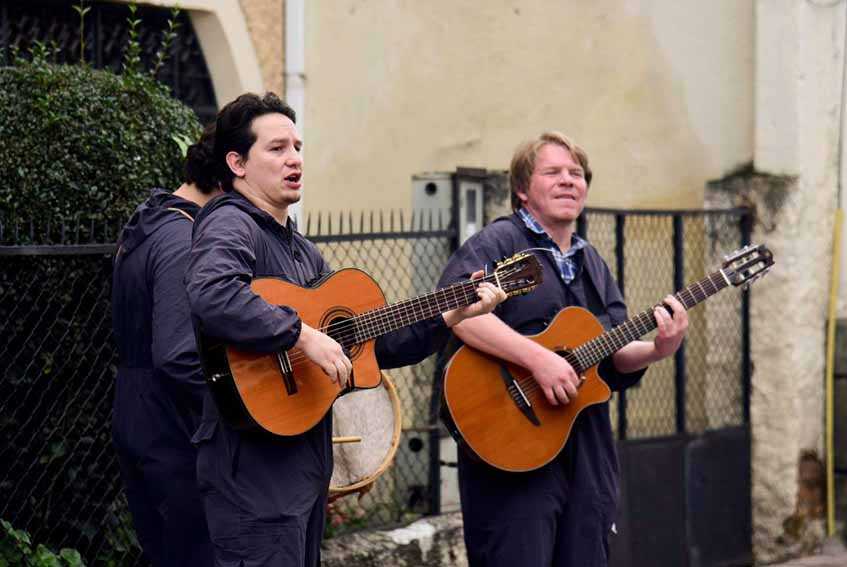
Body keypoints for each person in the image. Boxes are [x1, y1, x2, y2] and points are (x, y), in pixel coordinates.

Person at [185, 92, 505, 566]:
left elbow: (369, 342)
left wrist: (451, 316)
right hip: (252, 464)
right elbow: (212, 294)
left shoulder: (299, 249)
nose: (294, 158)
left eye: (297, 146)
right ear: (237, 162)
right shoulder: (231, 224)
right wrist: (301, 335)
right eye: (276, 149)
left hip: (300, 460)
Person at [437, 131, 689, 567]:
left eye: (577, 173)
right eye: (552, 172)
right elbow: (459, 309)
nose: (569, 181)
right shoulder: (499, 243)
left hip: (586, 449)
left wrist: (657, 349)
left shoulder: (591, 262)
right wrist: (537, 358)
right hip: (511, 446)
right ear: (522, 189)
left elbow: (611, 351)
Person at [111, 125, 221, 566]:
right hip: (172, 425)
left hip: (138, 409)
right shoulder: (182, 238)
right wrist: (242, 408)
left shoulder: (149, 222)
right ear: (224, 179)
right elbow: (178, 355)